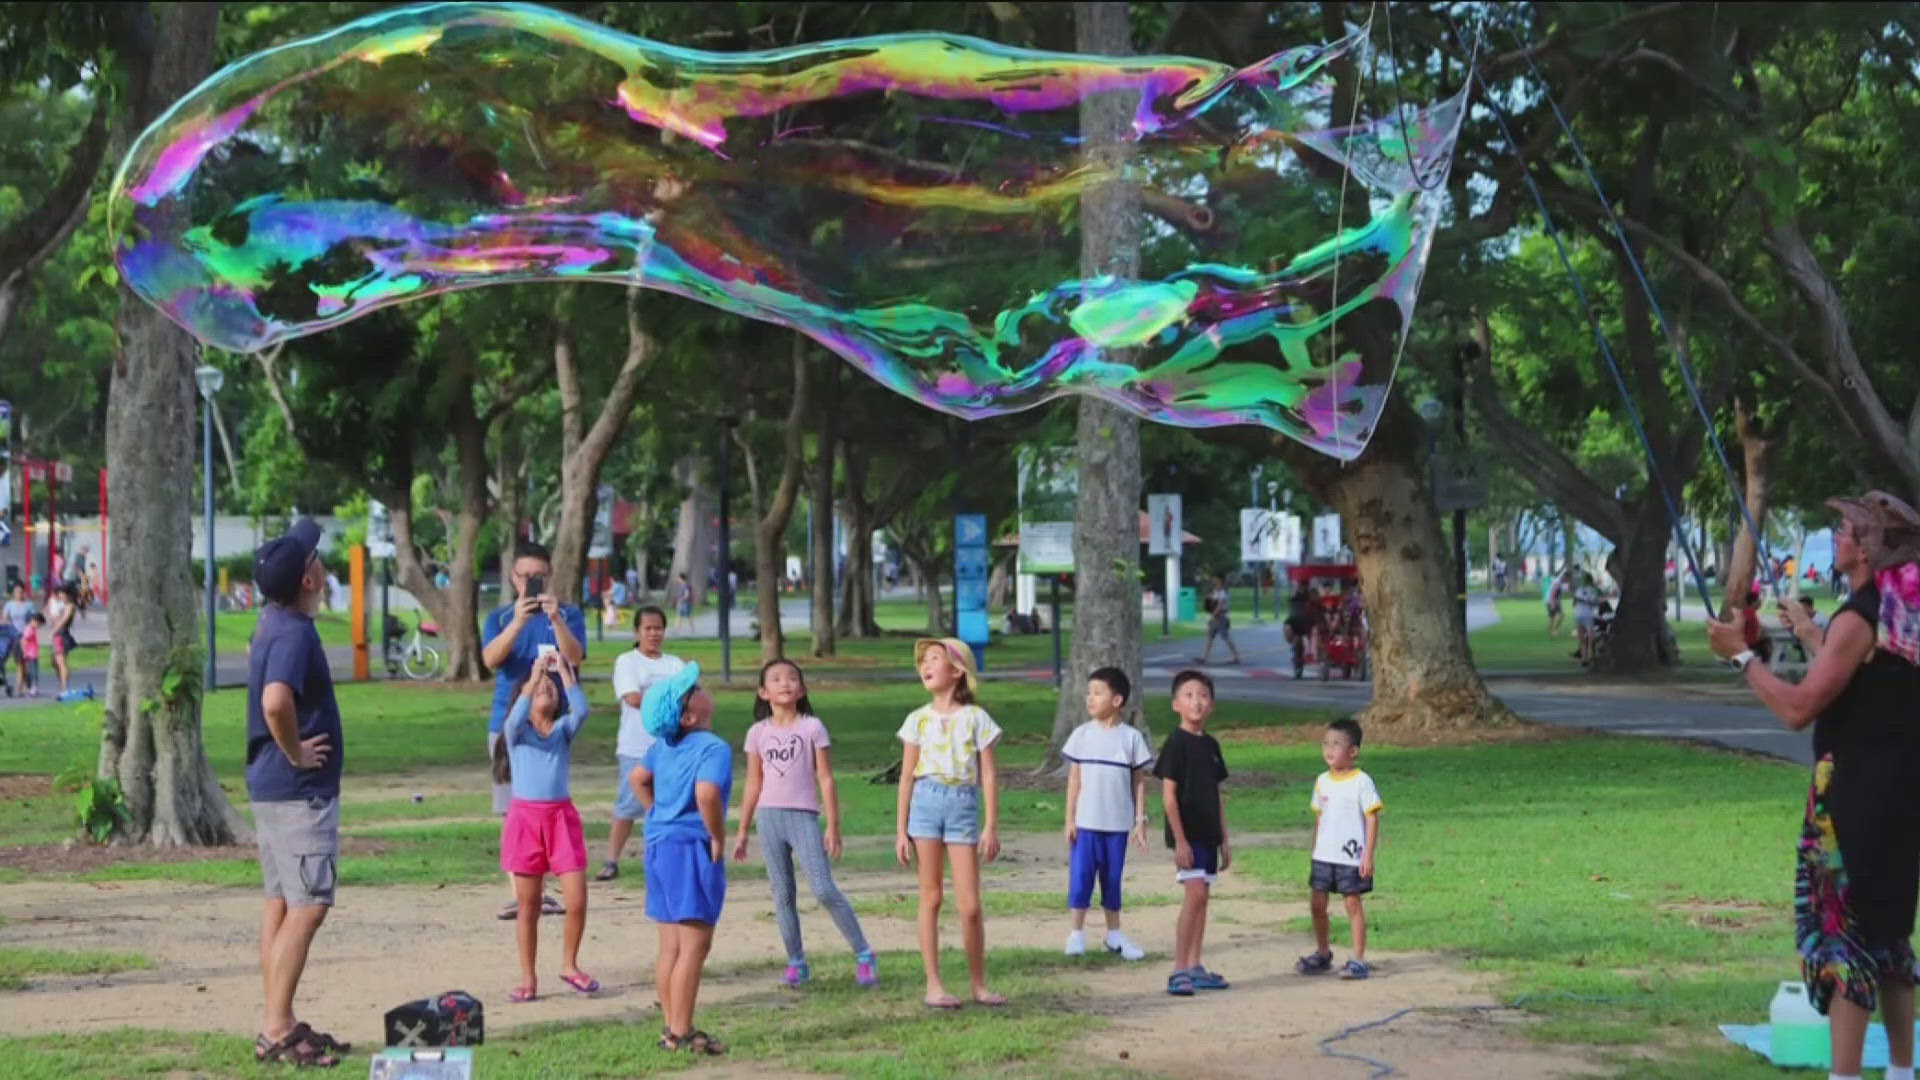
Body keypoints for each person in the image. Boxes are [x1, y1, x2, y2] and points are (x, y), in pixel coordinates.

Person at [1707, 491, 1920, 1080]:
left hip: (1851, 798)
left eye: (1846, 528)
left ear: (1868, 548)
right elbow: (1867, 681)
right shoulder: (1900, 612)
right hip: (1900, 795)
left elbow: (1799, 708)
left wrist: (1742, 658)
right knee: (1890, 934)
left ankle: (1845, 1075)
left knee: (1845, 935)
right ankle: (1903, 1072)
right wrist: (1807, 634)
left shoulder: (1859, 616)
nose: (1837, 535)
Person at [244, 519, 349, 1067]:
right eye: (317, 556)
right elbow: (275, 702)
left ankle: (276, 1019)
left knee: (282, 904)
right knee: (308, 907)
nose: (322, 561)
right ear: (309, 577)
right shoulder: (294, 633)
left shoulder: (272, 621)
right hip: (296, 791)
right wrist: (295, 753)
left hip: (272, 790)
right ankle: (277, 1027)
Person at [732, 659, 877, 988]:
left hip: (803, 817)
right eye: (776, 679)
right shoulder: (757, 733)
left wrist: (833, 824)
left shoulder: (812, 727)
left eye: (792, 678)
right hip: (769, 819)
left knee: (824, 889)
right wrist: (741, 831)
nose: (785, 683)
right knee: (782, 894)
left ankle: (864, 953)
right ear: (763, 692)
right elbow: (753, 783)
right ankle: (796, 960)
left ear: (803, 689)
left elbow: (825, 778)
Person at [895, 638, 1005, 1009]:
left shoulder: (977, 719)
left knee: (970, 905)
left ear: (957, 671)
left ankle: (978, 984)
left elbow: (988, 776)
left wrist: (991, 825)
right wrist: (901, 830)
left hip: (962, 805)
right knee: (931, 896)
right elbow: (907, 777)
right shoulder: (916, 719)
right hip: (925, 805)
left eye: (935, 659)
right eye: (923, 660)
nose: (926, 665)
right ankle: (934, 984)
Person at [630, 662, 732, 1055]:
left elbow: (637, 779)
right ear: (689, 717)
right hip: (691, 848)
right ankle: (682, 1031)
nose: (704, 688)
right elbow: (707, 794)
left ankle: (670, 1027)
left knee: (670, 945)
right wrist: (716, 835)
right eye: (696, 689)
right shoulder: (713, 747)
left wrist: (656, 812)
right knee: (694, 946)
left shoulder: (662, 747)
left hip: (658, 845)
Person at [481, 541, 586, 921]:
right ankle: (522, 892)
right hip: (508, 721)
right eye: (524, 576)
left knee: (547, 800)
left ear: (549, 576)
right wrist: (519, 622)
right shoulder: (500, 617)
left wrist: (555, 619)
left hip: (553, 721)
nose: (530, 582)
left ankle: (542, 888)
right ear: (513, 577)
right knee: (512, 806)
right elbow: (491, 659)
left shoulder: (569, 614)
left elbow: (574, 659)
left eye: (537, 576)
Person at [494, 651, 597, 1002]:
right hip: (525, 820)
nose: (545, 690)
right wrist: (534, 675)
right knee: (528, 907)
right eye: (540, 689)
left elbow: (581, 710)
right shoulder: (518, 733)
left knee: (577, 900)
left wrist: (564, 673)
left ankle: (570, 965)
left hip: (561, 820)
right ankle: (528, 977)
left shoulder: (563, 731)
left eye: (550, 689)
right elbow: (511, 721)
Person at [1060, 666, 1153, 962]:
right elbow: (1074, 780)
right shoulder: (1081, 735)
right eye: (1089, 693)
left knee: (1112, 879)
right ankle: (1076, 933)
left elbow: (1139, 781)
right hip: (1086, 824)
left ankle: (1114, 935)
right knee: (1081, 877)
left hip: (1116, 826)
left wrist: (1140, 821)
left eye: (1098, 693)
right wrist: (1070, 819)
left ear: (1117, 700)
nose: (1090, 698)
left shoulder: (1131, 738)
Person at [1155, 669, 1231, 997]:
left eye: (1202, 696)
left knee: (1204, 899)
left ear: (1211, 705)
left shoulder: (1211, 745)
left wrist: (1225, 839)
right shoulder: (1175, 744)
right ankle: (1178, 968)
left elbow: (1216, 794)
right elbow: (1169, 796)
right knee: (1194, 895)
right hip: (1187, 835)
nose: (1196, 701)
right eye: (1189, 695)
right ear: (1176, 704)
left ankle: (1196, 965)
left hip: (1209, 834)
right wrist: (1180, 840)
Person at [598, 606, 686, 881]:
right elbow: (633, 698)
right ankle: (611, 860)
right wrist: (666, 696)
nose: (653, 634)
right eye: (648, 628)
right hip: (635, 747)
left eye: (658, 628)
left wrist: (660, 696)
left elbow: (687, 698)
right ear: (637, 631)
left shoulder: (674, 664)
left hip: (670, 746)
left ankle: (663, 859)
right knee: (627, 805)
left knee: (666, 805)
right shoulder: (627, 661)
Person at [1295, 718, 1383, 980]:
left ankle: (1358, 959)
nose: (1329, 750)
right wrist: (1315, 848)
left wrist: (1367, 853)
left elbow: (1371, 817)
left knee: (1352, 903)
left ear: (1353, 751)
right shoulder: (1322, 781)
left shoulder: (1362, 781)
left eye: (1336, 744)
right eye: (1326, 743)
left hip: (1350, 856)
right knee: (1317, 903)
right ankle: (1323, 953)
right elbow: (1320, 817)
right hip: (1324, 855)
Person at [1198, 576, 1240, 665]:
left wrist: (1212, 616)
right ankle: (1204, 657)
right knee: (1209, 637)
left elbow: (1219, 606)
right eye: (1213, 581)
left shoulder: (1222, 593)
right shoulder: (1214, 593)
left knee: (1226, 637)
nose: (1214, 583)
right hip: (1214, 617)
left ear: (1220, 583)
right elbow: (1209, 604)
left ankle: (1236, 657)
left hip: (1220, 617)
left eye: (1216, 581)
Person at [3, 583, 33, 694]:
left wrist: (29, 631)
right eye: (16, 592)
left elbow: (33, 621)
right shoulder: (9, 605)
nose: (18, 594)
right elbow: (5, 618)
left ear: (24, 592)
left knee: (22, 663)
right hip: (13, 636)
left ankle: (20, 688)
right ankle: (25, 681)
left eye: (20, 592)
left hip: (25, 636)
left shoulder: (28, 605)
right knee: (19, 662)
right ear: (13, 593)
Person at [45, 586, 72, 695]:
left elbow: (63, 621)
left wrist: (53, 631)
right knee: (54, 661)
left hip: (61, 635)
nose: (60, 596)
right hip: (56, 635)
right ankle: (63, 681)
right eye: (59, 594)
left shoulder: (70, 606)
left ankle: (64, 687)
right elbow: (49, 613)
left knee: (61, 661)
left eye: (62, 594)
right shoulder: (60, 605)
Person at [1571, 573, 1600, 664]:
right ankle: (1584, 658)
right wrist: (1575, 600)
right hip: (1578, 615)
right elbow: (1574, 603)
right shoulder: (1579, 590)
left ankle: (1592, 656)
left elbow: (1594, 602)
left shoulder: (1593, 590)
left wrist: (1583, 600)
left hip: (1588, 615)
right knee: (1581, 638)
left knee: (1591, 637)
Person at [19, 612, 42, 696]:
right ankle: (32, 688)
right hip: (30, 654)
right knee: (33, 672)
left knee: (34, 671)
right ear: (34, 621)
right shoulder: (29, 629)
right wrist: (24, 652)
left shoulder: (32, 629)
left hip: (33, 654)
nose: (39, 627)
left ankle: (33, 687)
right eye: (39, 624)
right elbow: (23, 640)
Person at [1546, 570, 1568, 638]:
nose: (1567, 581)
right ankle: (1554, 631)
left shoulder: (1560, 582)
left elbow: (1559, 593)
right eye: (1567, 579)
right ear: (1565, 577)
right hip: (1551, 601)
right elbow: (1553, 593)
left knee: (1554, 617)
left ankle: (1553, 631)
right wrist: (1553, 604)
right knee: (1558, 616)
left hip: (1555, 601)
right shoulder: (1557, 582)